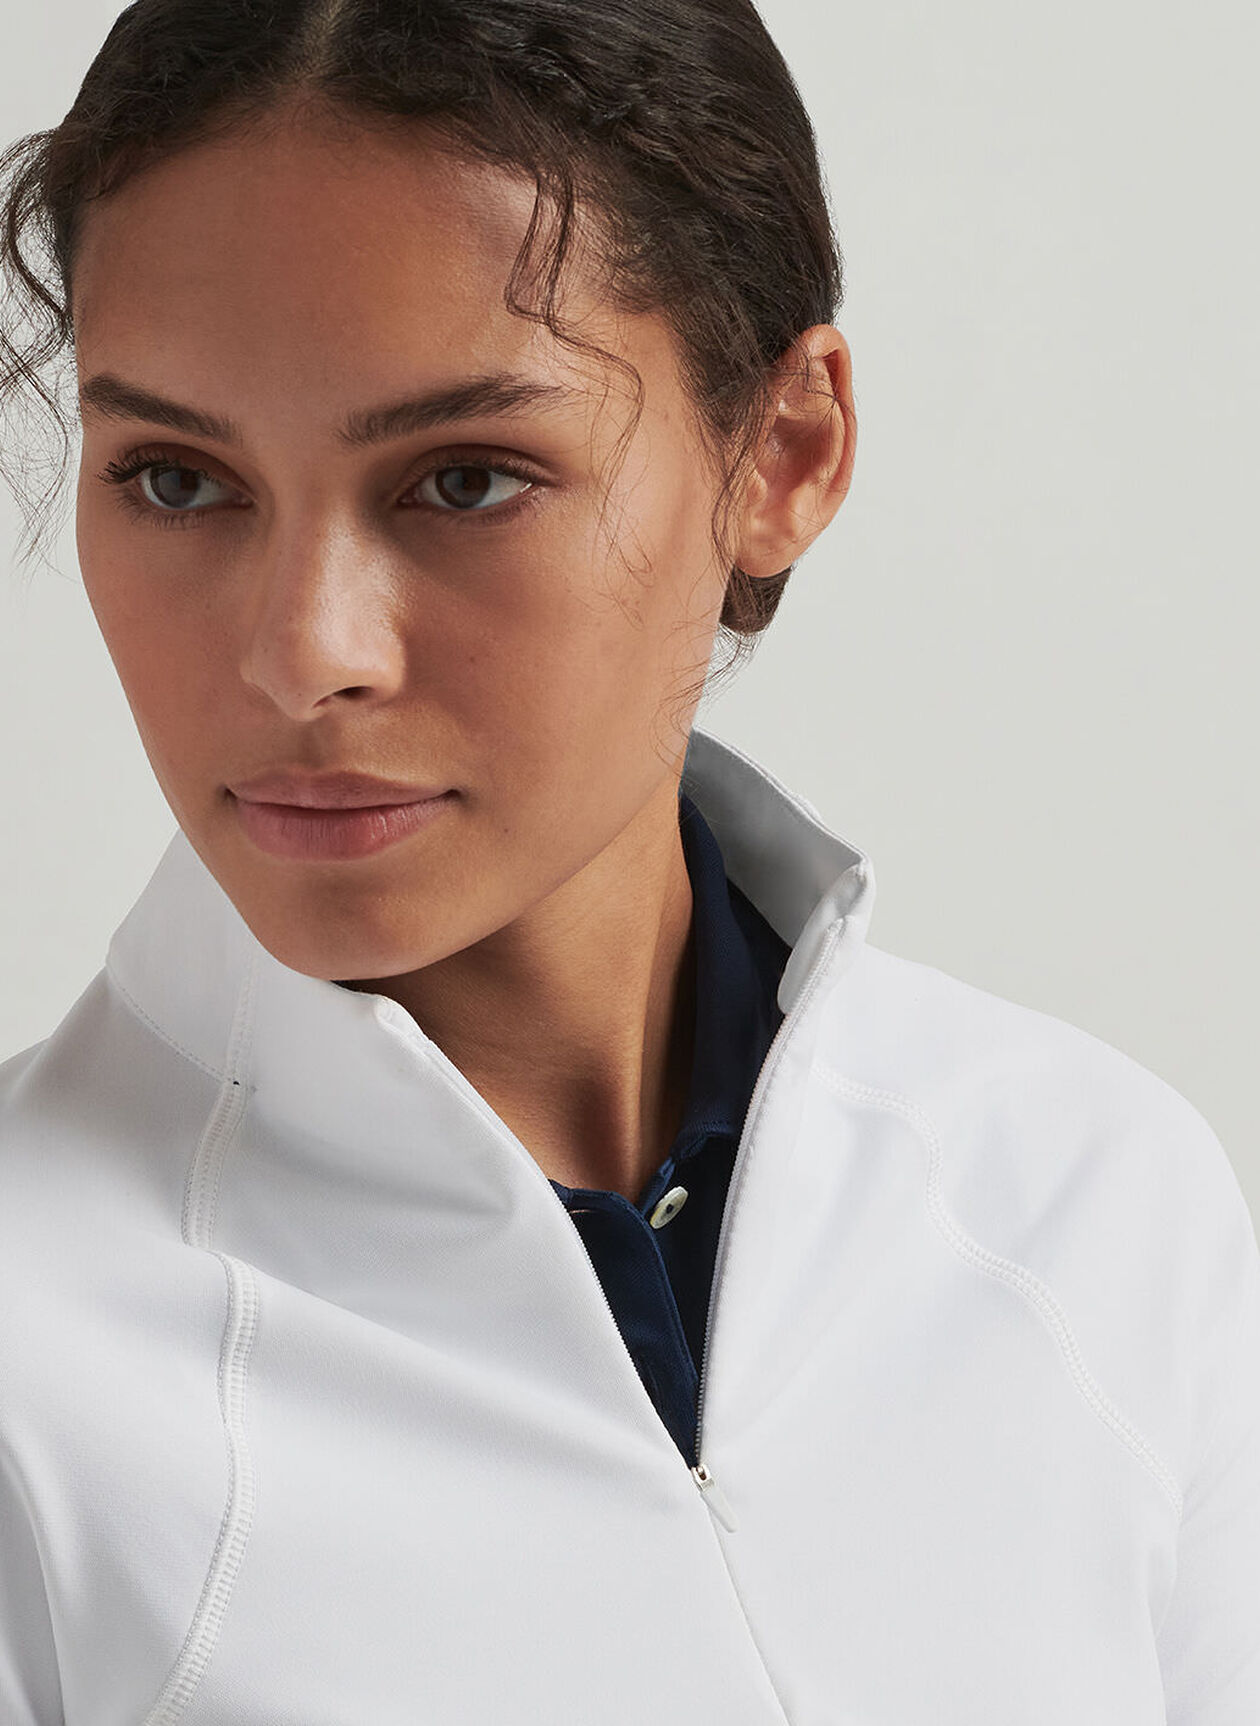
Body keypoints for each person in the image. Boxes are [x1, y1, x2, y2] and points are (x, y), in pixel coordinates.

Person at [0, 0, 1256, 1720]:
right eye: (174, 480)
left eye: (463, 479)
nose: (303, 654)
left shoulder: (1090, 1201)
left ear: (785, 453)